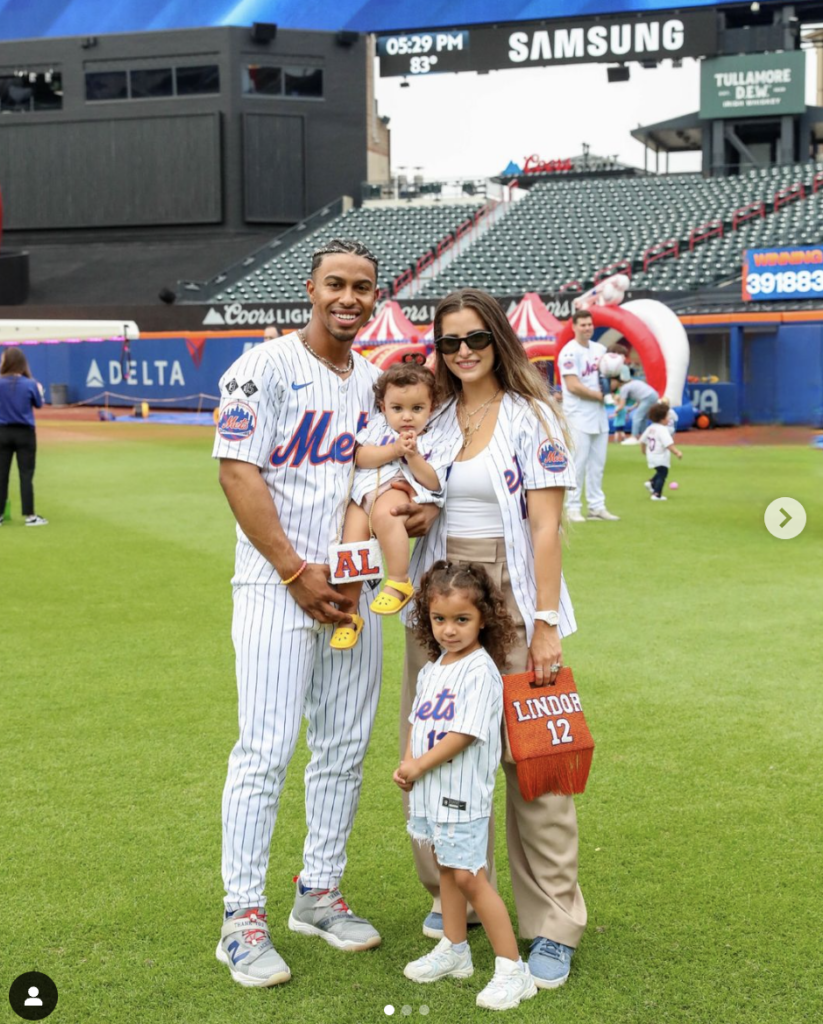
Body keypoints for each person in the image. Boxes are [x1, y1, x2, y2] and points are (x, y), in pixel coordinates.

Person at [211, 238, 436, 987]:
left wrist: (411, 517)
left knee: (342, 746)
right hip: (278, 586)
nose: (349, 297)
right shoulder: (263, 366)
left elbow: (384, 479)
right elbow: (238, 472)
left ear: (377, 297)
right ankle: (242, 918)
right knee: (266, 750)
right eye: (336, 284)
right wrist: (293, 570)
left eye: (363, 287)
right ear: (310, 288)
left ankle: (318, 892)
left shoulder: (377, 381)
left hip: (355, 588)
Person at [400, 288, 586, 991]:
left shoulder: (533, 414)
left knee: (533, 766)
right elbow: (412, 499)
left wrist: (543, 624)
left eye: (475, 337)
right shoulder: (437, 418)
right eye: (449, 342)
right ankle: (455, 895)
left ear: (498, 338)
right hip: (441, 602)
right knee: (434, 751)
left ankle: (553, 923)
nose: (463, 351)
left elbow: (544, 527)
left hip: (509, 592)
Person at [396, 561, 537, 1012]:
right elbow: (420, 723)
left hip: (461, 795)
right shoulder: (435, 669)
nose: (449, 630)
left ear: (483, 621)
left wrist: (418, 766)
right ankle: (455, 951)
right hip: (432, 793)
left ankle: (513, 970)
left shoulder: (480, 671)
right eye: (440, 619)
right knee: (446, 870)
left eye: (462, 620)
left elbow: (464, 734)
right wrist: (407, 762)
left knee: (470, 878)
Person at [331, 363, 454, 649]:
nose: (407, 417)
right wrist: (394, 449)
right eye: (397, 408)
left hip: (399, 488)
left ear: (432, 407)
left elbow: (434, 481)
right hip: (363, 494)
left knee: (389, 514)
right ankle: (348, 615)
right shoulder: (377, 426)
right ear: (382, 407)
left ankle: (399, 581)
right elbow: (360, 456)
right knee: (351, 548)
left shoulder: (434, 436)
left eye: (417, 408)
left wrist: (412, 457)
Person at [557, 309, 619, 522]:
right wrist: (601, 396)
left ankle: (596, 506)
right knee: (578, 461)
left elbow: (611, 377)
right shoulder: (568, 352)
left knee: (598, 463)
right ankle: (573, 507)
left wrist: (614, 385)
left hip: (599, 415)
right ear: (574, 327)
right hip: (578, 415)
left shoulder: (600, 349)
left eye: (589, 324)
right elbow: (573, 386)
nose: (587, 328)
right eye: (582, 325)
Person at [0, 346, 48, 527]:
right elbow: (39, 404)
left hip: (3, 432)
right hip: (25, 433)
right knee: (26, 475)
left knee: (0, 475)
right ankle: (30, 516)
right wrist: (39, 390)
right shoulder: (30, 384)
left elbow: (2, 389)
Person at [640, 402, 683, 501]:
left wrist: (643, 451)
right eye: (667, 416)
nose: (669, 418)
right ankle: (657, 494)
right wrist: (677, 452)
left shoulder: (650, 428)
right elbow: (668, 444)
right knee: (663, 474)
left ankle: (651, 483)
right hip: (660, 457)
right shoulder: (663, 430)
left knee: (660, 471)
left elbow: (642, 441)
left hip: (651, 456)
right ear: (662, 418)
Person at [610, 374, 659, 446]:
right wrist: (631, 408)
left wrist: (615, 411)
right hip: (653, 395)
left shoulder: (624, 388)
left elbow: (621, 405)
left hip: (649, 397)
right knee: (643, 418)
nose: (611, 384)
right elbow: (640, 399)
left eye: (612, 381)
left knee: (636, 417)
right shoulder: (631, 384)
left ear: (617, 381)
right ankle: (645, 438)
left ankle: (634, 437)